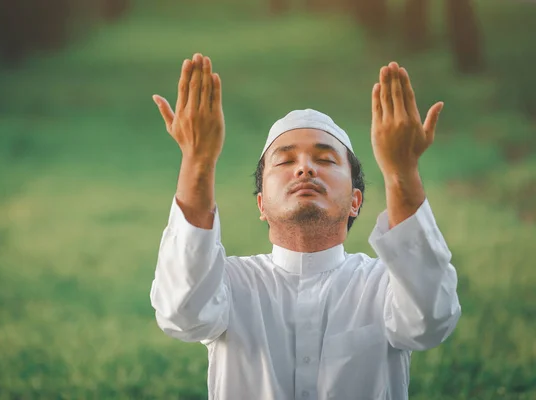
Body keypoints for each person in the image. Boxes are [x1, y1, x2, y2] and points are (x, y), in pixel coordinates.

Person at [149, 53, 461, 400]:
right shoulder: (229, 284)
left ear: (356, 201)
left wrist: (402, 172)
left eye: (325, 159)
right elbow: (181, 314)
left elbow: (431, 323)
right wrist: (197, 160)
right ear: (261, 204)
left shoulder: (384, 286)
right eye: (284, 160)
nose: (305, 169)